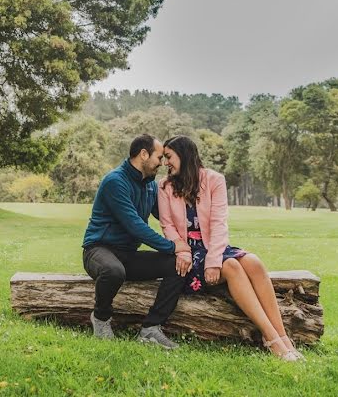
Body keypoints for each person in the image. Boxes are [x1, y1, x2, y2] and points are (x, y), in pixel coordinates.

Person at [157, 135, 303, 362]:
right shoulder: (165, 186)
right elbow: (167, 225)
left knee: (254, 262)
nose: (166, 162)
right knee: (233, 266)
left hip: (214, 246)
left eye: (169, 157)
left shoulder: (214, 180)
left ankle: (283, 336)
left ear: (184, 155)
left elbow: (218, 223)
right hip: (188, 252)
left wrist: (214, 260)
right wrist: (183, 250)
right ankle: (272, 339)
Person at [82, 134, 191, 350]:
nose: (162, 163)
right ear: (143, 154)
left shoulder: (149, 186)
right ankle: (101, 318)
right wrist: (171, 246)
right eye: (159, 157)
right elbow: (135, 226)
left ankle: (151, 328)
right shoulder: (115, 181)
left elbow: (166, 217)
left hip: (128, 255)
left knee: (176, 266)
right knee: (114, 271)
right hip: (98, 250)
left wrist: (188, 240)